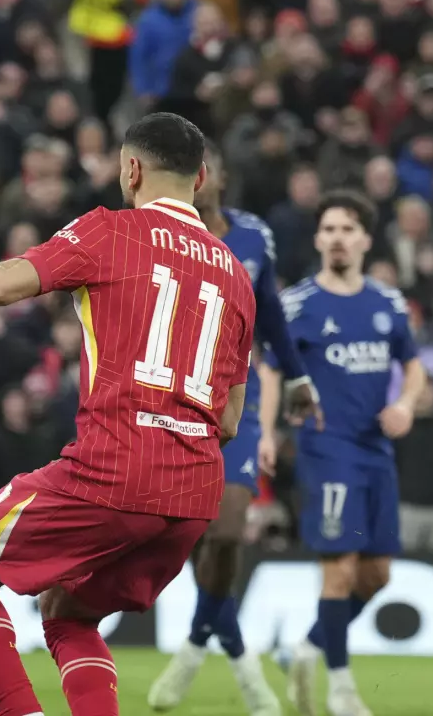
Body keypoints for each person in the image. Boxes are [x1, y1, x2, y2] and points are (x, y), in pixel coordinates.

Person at [0, 112, 257, 716]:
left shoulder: (109, 231)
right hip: (194, 495)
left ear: (131, 169)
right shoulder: (236, 275)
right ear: (199, 179)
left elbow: (0, 285)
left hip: (115, 467)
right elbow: (231, 420)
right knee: (69, 611)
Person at [148, 141, 320, 716]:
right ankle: (240, 662)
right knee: (189, 538)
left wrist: (297, 377)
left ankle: (197, 650)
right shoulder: (161, 235)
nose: (198, 178)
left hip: (235, 400)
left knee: (226, 532)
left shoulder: (253, 237)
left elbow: (270, 313)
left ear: (219, 178)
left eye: (206, 168)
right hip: (172, 398)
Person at [279, 192, 426, 716]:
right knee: (339, 569)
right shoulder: (297, 304)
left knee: (377, 574)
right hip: (327, 448)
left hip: (376, 451)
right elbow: (270, 367)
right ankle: (341, 687)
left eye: (347, 229)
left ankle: (308, 646)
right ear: (318, 239)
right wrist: (276, 421)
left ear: (365, 239)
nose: (337, 238)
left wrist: (405, 404)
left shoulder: (388, 304)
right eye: (329, 229)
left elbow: (413, 366)